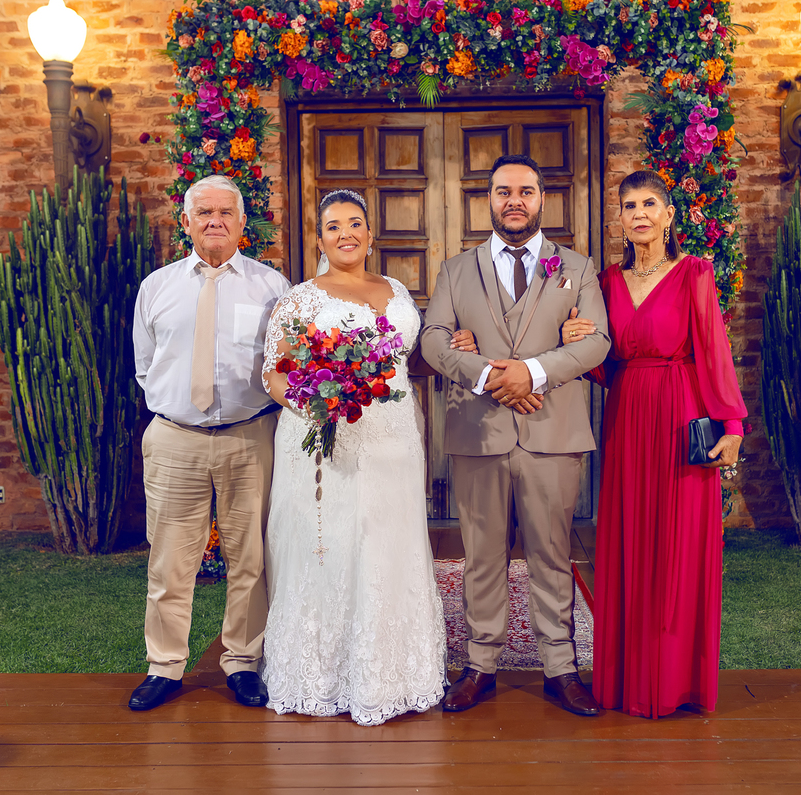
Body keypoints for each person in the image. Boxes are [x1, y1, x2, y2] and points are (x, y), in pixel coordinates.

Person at [260, 189, 476, 726]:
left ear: (370, 235)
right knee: (331, 542)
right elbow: (274, 374)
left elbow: (409, 361)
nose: (346, 234)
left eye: (355, 223)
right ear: (320, 239)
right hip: (330, 434)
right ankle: (323, 674)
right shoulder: (301, 300)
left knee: (388, 542)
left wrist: (462, 345)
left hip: (393, 436)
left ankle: (395, 672)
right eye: (334, 226)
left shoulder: (396, 290)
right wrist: (317, 405)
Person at [420, 154, 610, 716]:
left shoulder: (577, 268)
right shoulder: (456, 270)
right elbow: (432, 339)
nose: (514, 201)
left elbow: (597, 341)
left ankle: (561, 668)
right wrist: (489, 376)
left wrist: (533, 372)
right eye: (504, 191)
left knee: (552, 552)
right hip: (478, 433)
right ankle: (480, 665)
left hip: (552, 432)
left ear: (542, 198)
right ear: (489, 199)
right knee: (481, 555)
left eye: (525, 191)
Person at [563, 169, 746, 718]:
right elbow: (604, 364)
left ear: (668, 215)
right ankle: (626, 681)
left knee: (676, 549)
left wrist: (732, 426)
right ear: (619, 219)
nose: (639, 213)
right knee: (628, 544)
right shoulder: (606, 283)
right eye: (629, 206)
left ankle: (672, 682)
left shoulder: (694, 273)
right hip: (626, 419)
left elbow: (713, 350)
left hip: (680, 415)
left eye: (649, 204)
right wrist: (574, 343)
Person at [129, 174, 290, 711]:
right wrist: (177, 407)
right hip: (175, 440)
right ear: (187, 222)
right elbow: (146, 365)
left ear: (243, 222)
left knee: (252, 559)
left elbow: (284, 364)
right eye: (204, 212)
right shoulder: (157, 288)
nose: (215, 221)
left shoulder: (272, 288)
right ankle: (165, 667)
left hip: (251, 437)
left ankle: (242, 661)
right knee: (169, 562)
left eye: (225, 213)